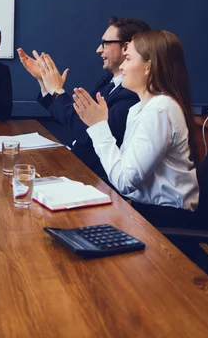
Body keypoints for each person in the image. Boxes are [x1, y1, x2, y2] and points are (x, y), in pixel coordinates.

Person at [70, 30, 199, 227]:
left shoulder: (159, 110)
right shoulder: (140, 107)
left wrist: (98, 127)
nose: (121, 67)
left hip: (165, 219)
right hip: (143, 210)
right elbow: (122, 171)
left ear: (149, 67)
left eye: (128, 59)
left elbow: (124, 181)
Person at [17, 17, 150, 180]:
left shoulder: (133, 93)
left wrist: (57, 91)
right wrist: (45, 82)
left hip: (95, 178)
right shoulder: (107, 80)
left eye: (105, 43)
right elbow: (79, 118)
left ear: (128, 47)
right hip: (77, 165)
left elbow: (87, 135)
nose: (98, 50)